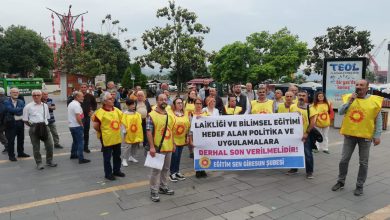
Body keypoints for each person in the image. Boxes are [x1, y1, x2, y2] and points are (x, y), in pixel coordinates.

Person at [331, 80, 383, 196]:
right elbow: (340, 112)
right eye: (357, 85)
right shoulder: (349, 98)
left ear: (367, 88)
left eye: (361, 85)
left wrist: (377, 135)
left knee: (363, 163)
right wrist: (350, 101)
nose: (358, 87)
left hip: (365, 137)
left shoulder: (374, 101)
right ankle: (340, 181)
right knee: (344, 160)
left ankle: (359, 186)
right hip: (350, 135)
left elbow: (378, 119)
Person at [146, 94, 176, 202]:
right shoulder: (151, 115)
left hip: (168, 146)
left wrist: (173, 143)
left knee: (166, 169)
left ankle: (163, 187)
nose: (163, 101)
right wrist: (152, 147)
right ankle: (154, 190)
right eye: (161, 99)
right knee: (156, 170)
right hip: (158, 147)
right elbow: (148, 132)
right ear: (157, 101)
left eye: (165, 99)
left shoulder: (169, 114)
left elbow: (171, 130)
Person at [92, 92, 125, 181]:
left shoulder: (117, 110)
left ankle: (116, 170)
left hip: (117, 137)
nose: (113, 99)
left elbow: (123, 120)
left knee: (117, 155)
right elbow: (95, 126)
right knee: (107, 157)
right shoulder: (100, 112)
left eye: (113, 98)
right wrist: (103, 132)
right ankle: (108, 173)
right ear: (105, 101)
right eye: (110, 99)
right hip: (106, 138)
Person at [286, 90, 318, 179]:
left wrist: (306, 133)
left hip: (305, 134)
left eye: (303, 95)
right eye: (299, 95)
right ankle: (294, 168)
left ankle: (309, 172)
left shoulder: (311, 108)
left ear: (307, 97)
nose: (301, 97)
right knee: (293, 151)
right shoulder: (292, 106)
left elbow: (312, 123)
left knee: (307, 153)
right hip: (294, 134)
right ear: (297, 96)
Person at [23, 90, 57, 170]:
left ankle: (49, 161)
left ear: (41, 96)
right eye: (34, 95)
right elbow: (25, 119)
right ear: (32, 96)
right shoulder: (28, 106)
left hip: (45, 126)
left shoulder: (45, 105)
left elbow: (47, 117)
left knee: (50, 145)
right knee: (36, 147)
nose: (36, 96)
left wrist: (45, 125)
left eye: (38, 95)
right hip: (34, 127)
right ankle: (39, 163)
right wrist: (32, 126)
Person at [4, 88, 29, 161]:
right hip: (10, 124)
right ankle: (11, 155)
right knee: (11, 140)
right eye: (14, 92)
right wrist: (19, 109)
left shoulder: (21, 101)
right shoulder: (6, 101)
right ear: (10, 94)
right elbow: (10, 110)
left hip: (20, 123)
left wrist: (16, 111)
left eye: (17, 92)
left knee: (21, 139)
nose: (15, 93)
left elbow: (24, 110)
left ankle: (21, 153)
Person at [169, 97, 190, 182]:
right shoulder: (171, 114)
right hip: (173, 139)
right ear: (174, 105)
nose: (180, 104)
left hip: (182, 139)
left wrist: (187, 136)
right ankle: (172, 173)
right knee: (174, 156)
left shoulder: (185, 113)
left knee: (179, 157)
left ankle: (177, 171)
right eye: (178, 103)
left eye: (181, 102)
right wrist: (172, 141)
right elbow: (169, 128)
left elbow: (188, 126)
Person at [68, 92, 90, 164]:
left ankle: (73, 154)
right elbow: (78, 116)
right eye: (81, 97)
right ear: (77, 97)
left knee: (75, 141)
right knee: (81, 142)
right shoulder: (76, 105)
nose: (83, 98)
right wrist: (81, 125)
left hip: (72, 126)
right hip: (77, 126)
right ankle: (81, 158)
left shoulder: (71, 103)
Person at [189, 97, 208, 178]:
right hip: (194, 137)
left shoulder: (205, 114)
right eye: (197, 103)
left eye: (200, 103)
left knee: (203, 153)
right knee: (196, 153)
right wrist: (190, 139)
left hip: (204, 137)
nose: (199, 105)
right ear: (194, 104)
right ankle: (198, 170)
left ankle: (203, 169)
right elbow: (189, 128)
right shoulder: (191, 114)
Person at [121, 99, 143, 166]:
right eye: (131, 104)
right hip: (128, 132)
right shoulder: (125, 114)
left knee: (135, 144)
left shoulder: (137, 114)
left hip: (136, 132)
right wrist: (124, 130)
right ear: (127, 105)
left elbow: (139, 123)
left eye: (134, 104)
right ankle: (124, 159)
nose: (133, 106)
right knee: (127, 146)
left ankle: (132, 156)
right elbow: (123, 123)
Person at [80, 83, 97, 153]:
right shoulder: (77, 95)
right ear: (80, 88)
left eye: (85, 87)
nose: (83, 88)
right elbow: (69, 104)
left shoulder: (90, 96)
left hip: (87, 117)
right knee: (80, 133)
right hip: (79, 117)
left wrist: (92, 110)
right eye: (82, 87)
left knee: (86, 132)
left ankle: (86, 147)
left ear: (87, 88)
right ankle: (80, 147)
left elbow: (94, 104)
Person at [0, 88, 8, 154]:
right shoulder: (7, 98)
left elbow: (1, 111)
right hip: (9, 119)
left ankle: (7, 146)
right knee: (8, 134)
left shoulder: (0, 99)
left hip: (2, 120)